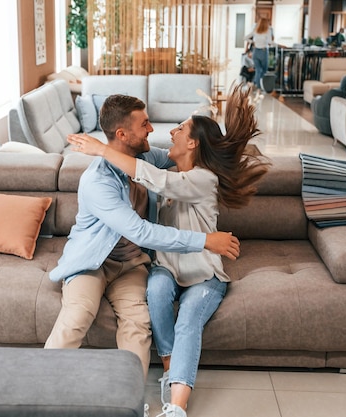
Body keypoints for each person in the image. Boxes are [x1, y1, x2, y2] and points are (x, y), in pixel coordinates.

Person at [67, 85, 270, 417]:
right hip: (166, 268)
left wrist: (101, 149)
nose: (169, 132)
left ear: (192, 143)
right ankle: (170, 373)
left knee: (189, 320)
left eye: (180, 128)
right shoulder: (170, 168)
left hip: (204, 274)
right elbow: (143, 166)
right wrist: (107, 151)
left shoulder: (203, 179)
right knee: (157, 290)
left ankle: (176, 407)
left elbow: (152, 178)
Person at [44, 94, 241, 385]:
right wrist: (205, 240)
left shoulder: (147, 157)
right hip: (93, 263)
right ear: (123, 134)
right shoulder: (98, 181)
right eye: (145, 124)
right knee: (77, 316)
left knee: (138, 324)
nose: (152, 129)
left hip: (132, 265)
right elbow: (141, 232)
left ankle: (127, 396)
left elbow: (187, 160)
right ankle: (35, 386)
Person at [245, 17, 274, 96]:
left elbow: (245, 38)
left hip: (255, 52)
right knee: (263, 70)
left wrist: (253, 42)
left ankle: (254, 85)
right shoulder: (268, 31)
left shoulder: (255, 30)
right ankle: (257, 87)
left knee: (258, 70)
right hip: (263, 52)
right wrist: (278, 45)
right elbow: (270, 42)